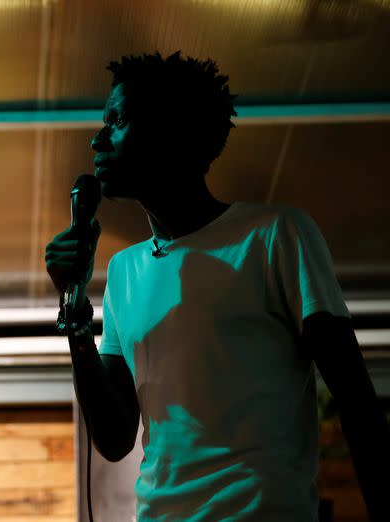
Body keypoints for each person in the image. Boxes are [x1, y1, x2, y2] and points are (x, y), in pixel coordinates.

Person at [45, 51, 389, 521]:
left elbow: (354, 397)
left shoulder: (275, 235)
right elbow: (114, 437)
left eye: (119, 119)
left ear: (172, 132)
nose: (98, 137)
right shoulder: (124, 271)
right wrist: (76, 312)